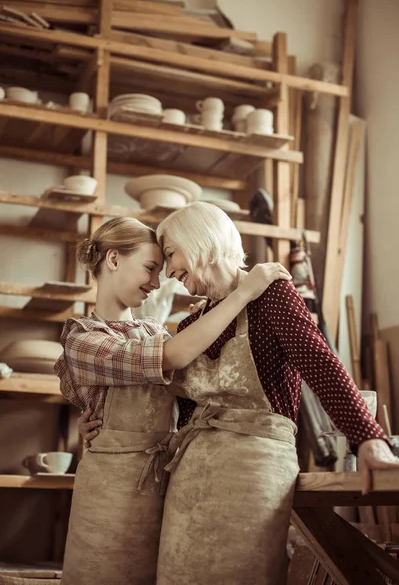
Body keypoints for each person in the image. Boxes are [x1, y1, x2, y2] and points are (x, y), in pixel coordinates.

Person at [79, 203, 399, 585]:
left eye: (169, 254)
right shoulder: (193, 322)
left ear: (198, 240)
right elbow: (176, 406)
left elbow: (320, 363)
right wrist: (104, 421)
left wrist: (368, 439)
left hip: (254, 470)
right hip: (189, 474)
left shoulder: (272, 296)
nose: (166, 272)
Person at [54, 215, 290, 585]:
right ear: (113, 260)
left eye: (161, 271)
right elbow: (169, 359)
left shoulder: (154, 330)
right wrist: (243, 293)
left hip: (167, 479)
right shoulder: (83, 338)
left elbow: (192, 392)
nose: (156, 282)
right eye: (150, 268)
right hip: (111, 488)